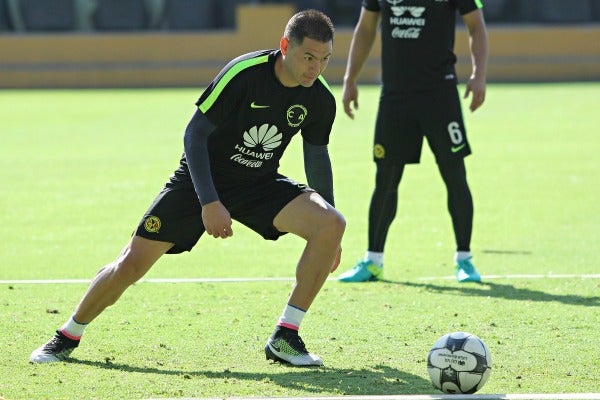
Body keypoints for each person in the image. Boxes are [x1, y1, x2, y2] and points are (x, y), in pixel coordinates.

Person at [30, 9, 344, 367]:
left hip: (258, 183)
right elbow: (194, 135)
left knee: (332, 223)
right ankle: (66, 335)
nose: (315, 68)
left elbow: (317, 155)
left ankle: (285, 337)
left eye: (324, 60)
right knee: (131, 264)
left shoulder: (318, 96)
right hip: (202, 180)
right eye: (308, 58)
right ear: (285, 46)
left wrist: (331, 234)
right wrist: (209, 202)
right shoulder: (244, 74)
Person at [337, 0, 488, 283]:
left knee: (454, 174)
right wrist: (350, 79)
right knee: (386, 178)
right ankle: (373, 261)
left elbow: (476, 26)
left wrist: (478, 76)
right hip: (395, 96)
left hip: (440, 94)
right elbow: (366, 27)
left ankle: (465, 260)